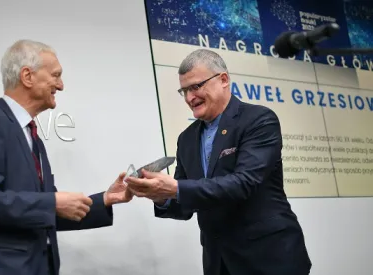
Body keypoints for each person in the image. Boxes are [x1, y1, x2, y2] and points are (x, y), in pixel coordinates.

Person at [0, 40, 133, 275]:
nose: (62, 85)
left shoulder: (32, 136)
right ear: (27, 76)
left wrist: (106, 199)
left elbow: (45, 213)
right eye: (56, 75)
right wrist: (53, 202)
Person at [125, 49, 312, 275]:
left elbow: (244, 183)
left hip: (268, 258)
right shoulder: (186, 139)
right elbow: (186, 204)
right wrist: (160, 196)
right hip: (218, 262)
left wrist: (174, 188)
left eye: (196, 86)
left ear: (223, 79)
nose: (189, 98)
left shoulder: (259, 120)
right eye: (184, 90)